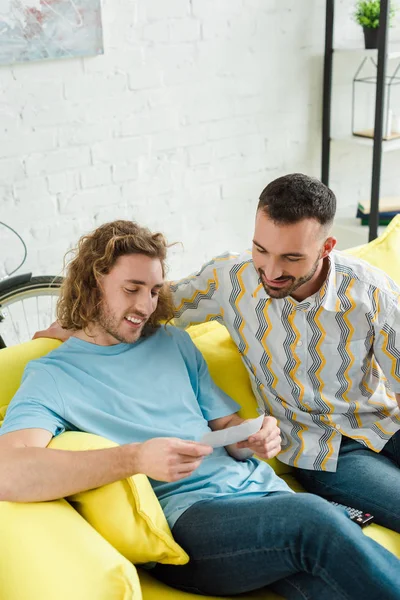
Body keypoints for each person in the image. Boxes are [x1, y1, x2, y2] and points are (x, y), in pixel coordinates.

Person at [2, 220, 400, 600]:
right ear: (93, 283)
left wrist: (250, 436)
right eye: (132, 288)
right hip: (191, 523)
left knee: (330, 583)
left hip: (261, 494)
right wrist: (136, 457)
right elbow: (9, 471)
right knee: (316, 520)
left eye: (155, 290)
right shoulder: (53, 375)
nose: (145, 305)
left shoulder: (172, 342)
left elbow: (225, 428)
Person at [39, 174, 400, 534]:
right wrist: (76, 325)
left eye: (291, 258)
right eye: (261, 250)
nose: (271, 272)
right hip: (321, 449)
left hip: (384, 422)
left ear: (327, 246)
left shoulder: (371, 293)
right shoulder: (231, 279)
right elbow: (151, 305)